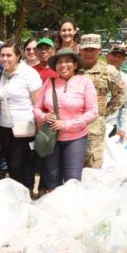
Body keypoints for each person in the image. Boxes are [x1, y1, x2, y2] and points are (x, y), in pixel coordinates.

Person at [33, 48, 98, 191]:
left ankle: (71, 206)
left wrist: (67, 124)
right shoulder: (49, 82)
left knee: (72, 180)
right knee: (52, 178)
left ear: (75, 64)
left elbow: (93, 112)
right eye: (59, 62)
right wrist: (44, 116)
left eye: (68, 61)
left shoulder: (85, 82)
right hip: (51, 138)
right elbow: (36, 108)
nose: (63, 65)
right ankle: (55, 204)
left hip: (76, 138)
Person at [0, 43, 43, 189]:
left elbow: (38, 104)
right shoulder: (0, 75)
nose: (5, 58)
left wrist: (40, 130)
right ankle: (17, 194)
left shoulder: (29, 74)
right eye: (2, 55)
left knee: (17, 165)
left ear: (18, 56)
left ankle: (23, 195)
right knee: (10, 165)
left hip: (24, 127)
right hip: (5, 126)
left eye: (9, 55)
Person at [78, 34, 126, 168]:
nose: (88, 53)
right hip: (73, 123)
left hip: (95, 125)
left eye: (92, 49)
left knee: (93, 161)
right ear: (80, 50)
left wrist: (105, 112)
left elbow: (120, 94)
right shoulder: (73, 69)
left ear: (99, 50)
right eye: (85, 49)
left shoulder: (109, 71)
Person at [105, 43, 127, 140]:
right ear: (107, 56)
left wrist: (123, 128)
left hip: (111, 124)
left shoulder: (126, 80)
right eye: (113, 55)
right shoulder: (96, 74)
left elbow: (126, 106)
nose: (116, 59)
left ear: (124, 60)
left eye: (120, 56)